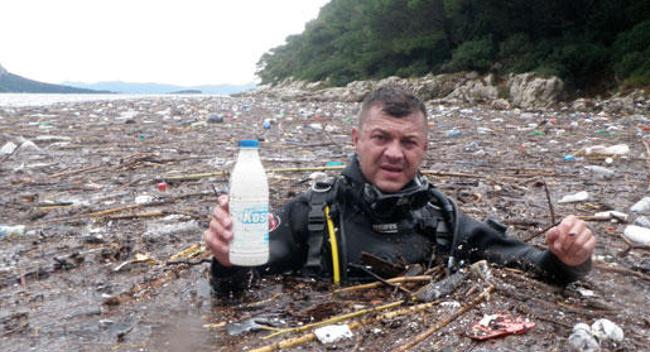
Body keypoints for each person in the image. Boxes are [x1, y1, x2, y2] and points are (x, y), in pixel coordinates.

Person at [204, 86, 595, 298]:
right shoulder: (312, 214)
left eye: (408, 142)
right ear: (357, 139)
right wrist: (226, 259)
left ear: (424, 147)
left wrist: (570, 258)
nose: (394, 153)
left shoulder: (443, 218)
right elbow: (240, 284)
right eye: (380, 138)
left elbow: (534, 264)